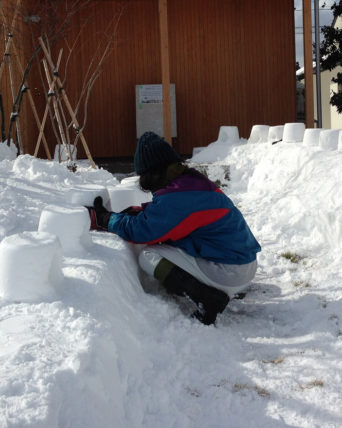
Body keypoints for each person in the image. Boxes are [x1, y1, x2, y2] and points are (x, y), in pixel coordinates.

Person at [87, 131, 261, 325]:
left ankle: (207, 298)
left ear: (155, 172)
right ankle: (215, 289)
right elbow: (172, 216)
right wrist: (140, 212)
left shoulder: (178, 196)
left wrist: (106, 220)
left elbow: (141, 232)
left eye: (145, 178)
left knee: (149, 256)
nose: (146, 185)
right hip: (243, 264)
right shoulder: (190, 183)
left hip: (229, 272)